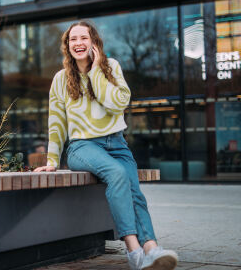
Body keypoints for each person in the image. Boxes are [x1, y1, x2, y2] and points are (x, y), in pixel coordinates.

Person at [34, 20, 178, 270]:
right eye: (73, 39)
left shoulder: (111, 67)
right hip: (82, 146)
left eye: (83, 38)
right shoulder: (60, 79)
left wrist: (96, 73)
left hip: (117, 143)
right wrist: (52, 161)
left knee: (133, 189)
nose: (78, 43)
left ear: (94, 42)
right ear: (67, 46)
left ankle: (152, 249)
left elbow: (117, 105)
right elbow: (56, 122)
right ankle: (134, 252)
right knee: (118, 173)